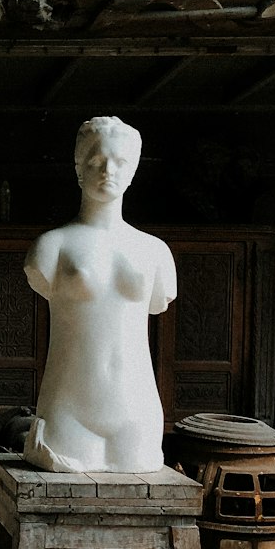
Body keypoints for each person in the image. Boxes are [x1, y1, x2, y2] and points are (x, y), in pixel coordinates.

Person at [23, 116, 176, 474]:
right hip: (68, 410)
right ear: (79, 168)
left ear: (134, 171)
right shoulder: (51, 247)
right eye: (96, 160)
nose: (108, 170)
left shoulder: (154, 252)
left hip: (136, 410)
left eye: (120, 162)